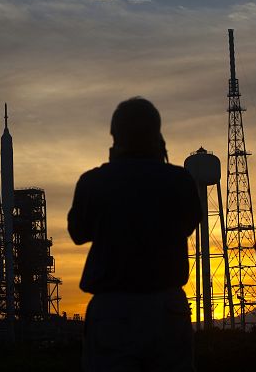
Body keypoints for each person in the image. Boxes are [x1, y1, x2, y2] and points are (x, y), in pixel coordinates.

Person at [68, 97, 202, 372]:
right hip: (168, 307)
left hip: (113, 311)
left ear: (115, 136)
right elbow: (189, 225)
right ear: (157, 134)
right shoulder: (180, 180)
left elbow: (78, 233)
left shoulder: (93, 182)